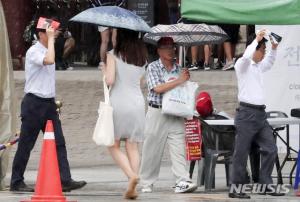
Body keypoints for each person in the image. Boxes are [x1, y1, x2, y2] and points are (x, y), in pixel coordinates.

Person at [10, 18, 86, 192]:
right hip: (34, 103)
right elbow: (50, 60)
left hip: (49, 104)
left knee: (59, 142)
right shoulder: (34, 51)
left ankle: (65, 179)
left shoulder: (49, 48)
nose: (55, 34)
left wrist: (52, 39)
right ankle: (16, 181)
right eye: (51, 31)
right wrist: (51, 39)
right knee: (26, 144)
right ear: (41, 34)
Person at [229, 30, 283, 199]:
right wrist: (256, 40)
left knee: (270, 148)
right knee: (241, 152)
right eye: (263, 50)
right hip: (246, 114)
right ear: (255, 50)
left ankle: (266, 184)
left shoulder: (258, 66)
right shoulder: (241, 64)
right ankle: (235, 188)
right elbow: (246, 57)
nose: (264, 53)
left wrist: (274, 48)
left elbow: (270, 62)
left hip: (260, 115)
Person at [139, 37, 197, 193]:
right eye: (167, 48)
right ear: (159, 50)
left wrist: (185, 80)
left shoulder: (179, 69)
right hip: (157, 111)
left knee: (178, 147)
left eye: (173, 47)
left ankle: (182, 179)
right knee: (152, 149)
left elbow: (183, 90)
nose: (171, 50)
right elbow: (157, 88)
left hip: (176, 112)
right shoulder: (153, 67)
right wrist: (179, 81)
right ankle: (146, 182)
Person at [102, 28, 147, 199]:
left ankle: (131, 176)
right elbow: (140, 80)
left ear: (119, 36)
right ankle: (132, 186)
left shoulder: (113, 54)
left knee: (113, 145)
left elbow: (110, 80)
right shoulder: (142, 58)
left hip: (119, 102)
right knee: (132, 145)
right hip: (137, 103)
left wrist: (104, 70)